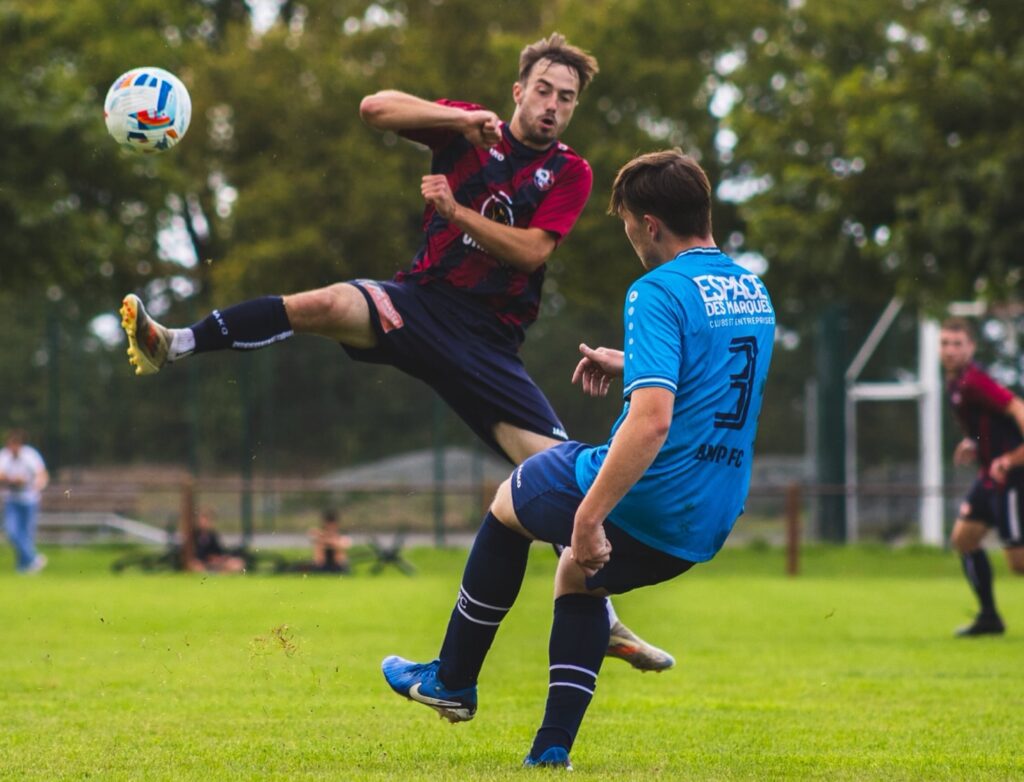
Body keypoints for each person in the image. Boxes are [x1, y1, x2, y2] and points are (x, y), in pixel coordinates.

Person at [118, 33, 671, 670]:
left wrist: (455, 212)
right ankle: (175, 344)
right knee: (326, 304)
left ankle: (603, 618)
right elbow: (373, 108)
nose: (552, 105)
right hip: (417, 305)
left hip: (488, 344)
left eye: (566, 98)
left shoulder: (571, 171)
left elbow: (532, 252)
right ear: (519, 91)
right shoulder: (467, 128)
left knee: (560, 472)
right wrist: (458, 121)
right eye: (543, 90)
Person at [381, 149, 775, 769]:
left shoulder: (658, 290)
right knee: (577, 577)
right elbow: (718, 378)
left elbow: (653, 421)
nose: (631, 238)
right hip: (709, 516)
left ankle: (451, 679)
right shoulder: (753, 292)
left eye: (628, 225)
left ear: (650, 225)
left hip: (651, 496)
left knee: (512, 500)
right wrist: (634, 362)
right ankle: (550, 752)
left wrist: (589, 518)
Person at [940, 317, 1024, 636]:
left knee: (1018, 564)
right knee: (964, 539)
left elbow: (1017, 408)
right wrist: (973, 442)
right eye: (945, 343)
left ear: (971, 348)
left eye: (957, 344)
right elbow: (990, 424)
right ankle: (989, 617)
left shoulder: (976, 381)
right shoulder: (956, 383)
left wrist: (1011, 459)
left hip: (1012, 478)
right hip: (989, 477)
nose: (950, 350)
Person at [0, 429, 50, 573]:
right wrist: (13, 479)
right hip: (12, 500)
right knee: (12, 532)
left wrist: (37, 485)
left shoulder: (30, 455)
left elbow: (41, 474)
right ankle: (34, 558)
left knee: (26, 534)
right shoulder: (4, 456)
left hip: (29, 500)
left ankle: (23, 566)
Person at [188, 509, 246, 573]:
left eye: (208, 520)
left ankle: (218, 573)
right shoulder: (194, 535)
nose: (206, 523)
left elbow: (219, 552)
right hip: (202, 563)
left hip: (215, 563)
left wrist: (219, 558)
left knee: (238, 563)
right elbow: (196, 555)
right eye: (204, 519)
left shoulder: (213, 535)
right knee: (196, 566)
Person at [309, 509, 352, 573]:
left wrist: (327, 540)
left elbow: (343, 545)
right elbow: (312, 534)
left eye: (332, 525)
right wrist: (325, 538)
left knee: (338, 550)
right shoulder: (320, 534)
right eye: (328, 525)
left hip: (338, 565)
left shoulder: (341, 536)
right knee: (319, 546)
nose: (330, 527)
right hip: (322, 564)